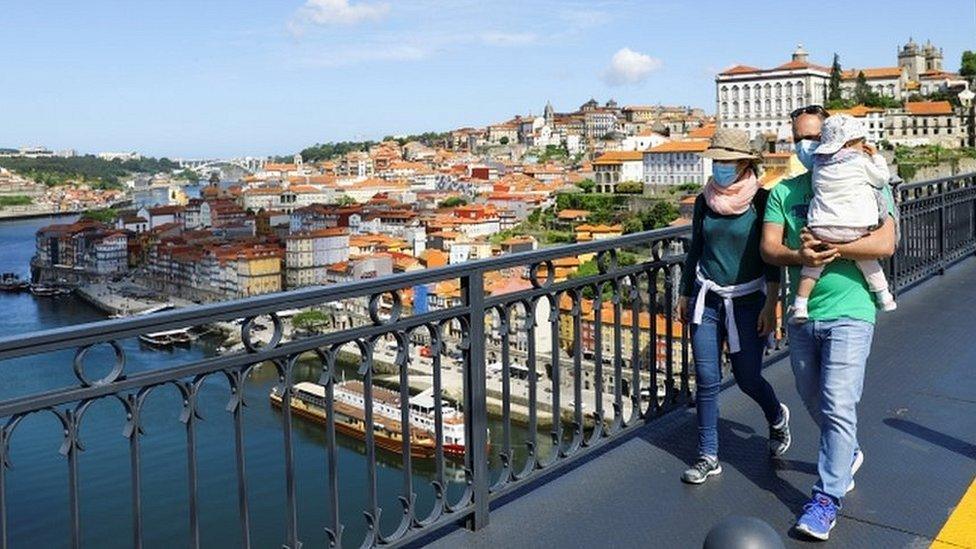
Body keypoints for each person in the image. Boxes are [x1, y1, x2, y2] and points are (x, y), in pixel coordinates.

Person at [761, 105, 897, 541]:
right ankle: (847, 452)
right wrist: (802, 256)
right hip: (804, 313)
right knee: (810, 395)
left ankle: (825, 500)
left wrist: (832, 243)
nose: (806, 144)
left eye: (813, 136)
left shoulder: (864, 177)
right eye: (798, 137)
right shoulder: (783, 192)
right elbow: (769, 249)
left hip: (852, 309)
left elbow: (887, 242)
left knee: (838, 403)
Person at [676, 128, 791, 486]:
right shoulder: (703, 201)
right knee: (707, 380)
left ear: (744, 163)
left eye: (726, 161)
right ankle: (708, 455)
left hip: (747, 300)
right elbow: (696, 249)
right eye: (717, 161)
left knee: (747, 377)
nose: (720, 167)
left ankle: (776, 416)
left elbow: (771, 257)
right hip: (707, 298)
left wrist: (771, 304)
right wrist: (684, 293)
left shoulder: (762, 201)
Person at [792, 114, 896, 322]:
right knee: (868, 261)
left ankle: (800, 305)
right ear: (849, 143)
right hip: (853, 226)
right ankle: (884, 297)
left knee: (812, 267)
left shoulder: (819, 165)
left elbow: (816, 188)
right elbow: (881, 179)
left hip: (821, 226)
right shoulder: (858, 161)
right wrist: (876, 157)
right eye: (861, 142)